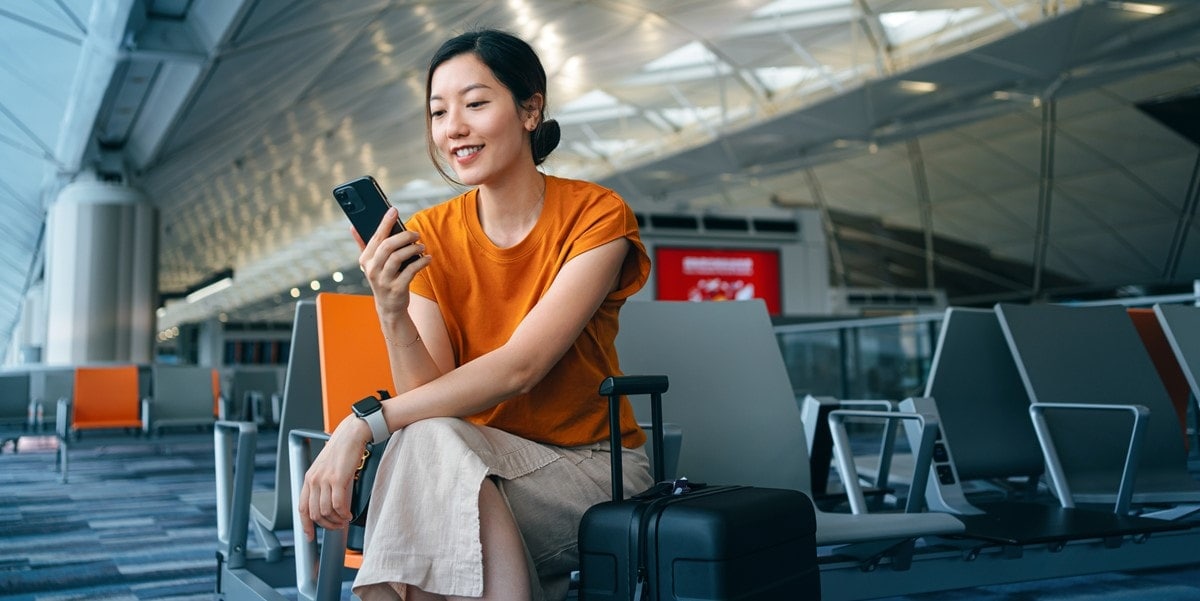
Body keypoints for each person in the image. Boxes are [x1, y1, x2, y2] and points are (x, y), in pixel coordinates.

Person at [298, 28, 655, 601]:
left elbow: (520, 368)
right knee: (434, 459)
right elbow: (429, 398)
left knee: (423, 506)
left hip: (589, 470)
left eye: (476, 103)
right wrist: (391, 309)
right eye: (439, 112)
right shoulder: (433, 235)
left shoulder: (596, 215)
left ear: (530, 109)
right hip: (463, 460)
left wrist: (362, 424)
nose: (453, 128)